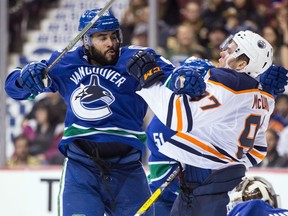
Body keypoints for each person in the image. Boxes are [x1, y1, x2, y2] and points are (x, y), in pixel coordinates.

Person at [4, 8, 176, 216]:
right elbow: (13, 89)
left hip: (128, 169)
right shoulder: (65, 62)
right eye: (102, 38)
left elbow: (178, 80)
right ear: (85, 41)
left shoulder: (138, 59)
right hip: (81, 168)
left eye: (114, 35)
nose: (110, 43)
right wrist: (25, 77)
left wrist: (180, 78)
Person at [126, 30, 288, 215]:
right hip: (219, 178)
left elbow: (177, 117)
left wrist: (149, 82)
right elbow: (257, 151)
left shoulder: (230, 84)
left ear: (242, 63)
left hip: (204, 179)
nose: (222, 52)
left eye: (230, 50)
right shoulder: (264, 97)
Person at [146, 56, 215, 215]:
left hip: (197, 199)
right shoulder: (165, 119)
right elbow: (162, 178)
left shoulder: (209, 116)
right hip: (165, 199)